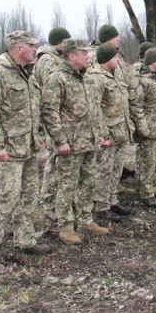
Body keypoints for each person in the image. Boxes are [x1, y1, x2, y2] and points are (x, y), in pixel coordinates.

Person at [0, 30, 52, 259]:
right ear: (19, 48)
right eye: (31, 46)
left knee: (30, 194)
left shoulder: (28, 74)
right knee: (9, 194)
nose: (34, 50)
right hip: (9, 149)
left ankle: (25, 239)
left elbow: (35, 109)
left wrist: (39, 136)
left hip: (27, 147)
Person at [42, 39, 110, 245]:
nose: (87, 56)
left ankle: (86, 220)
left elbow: (92, 108)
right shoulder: (57, 78)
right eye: (83, 53)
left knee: (89, 182)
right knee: (67, 186)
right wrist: (60, 140)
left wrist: (97, 133)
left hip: (88, 141)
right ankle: (65, 227)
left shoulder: (85, 77)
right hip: (70, 145)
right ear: (71, 55)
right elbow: (49, 112)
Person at [87, 44, 135, 223]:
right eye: (115, 58)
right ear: (107, 59)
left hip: (120, 131)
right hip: (108, 134)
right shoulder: (96, 78)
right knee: (104, 171)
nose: (118, 60)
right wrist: (102, 134)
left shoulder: (115, 76)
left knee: (115, 169)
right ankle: (101, 206)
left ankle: (112, 199)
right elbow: (94, 109)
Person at [34, 26, 71, 223]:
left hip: (62, 117)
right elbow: (51, 90)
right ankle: (48, 203)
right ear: (62, 42)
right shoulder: (47, 60)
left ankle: (58, 200)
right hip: (54, 116)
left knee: (61, 163)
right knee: (54, 163)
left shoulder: (56, 57)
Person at [129, 47, 156, 208]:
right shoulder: (141, 80)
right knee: (149, 162)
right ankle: (147, 193)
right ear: (154, 61)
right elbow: (136, 106)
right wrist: (143, 128)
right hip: (149, 129)